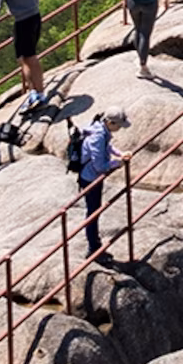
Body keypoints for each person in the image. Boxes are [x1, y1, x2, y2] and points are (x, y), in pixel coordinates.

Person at [68, 108, 125, 255]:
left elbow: (107, 146)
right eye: (118, 125)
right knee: (93, 213)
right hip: (90, 178)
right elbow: (99, 166)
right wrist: (116, 163)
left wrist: (120, 154)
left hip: (90, 175)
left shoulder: (98, 128)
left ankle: (95, 244)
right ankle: (93, 247)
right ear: (110, 122)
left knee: (94, 211)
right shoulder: (98, 137)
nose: (119, 128)